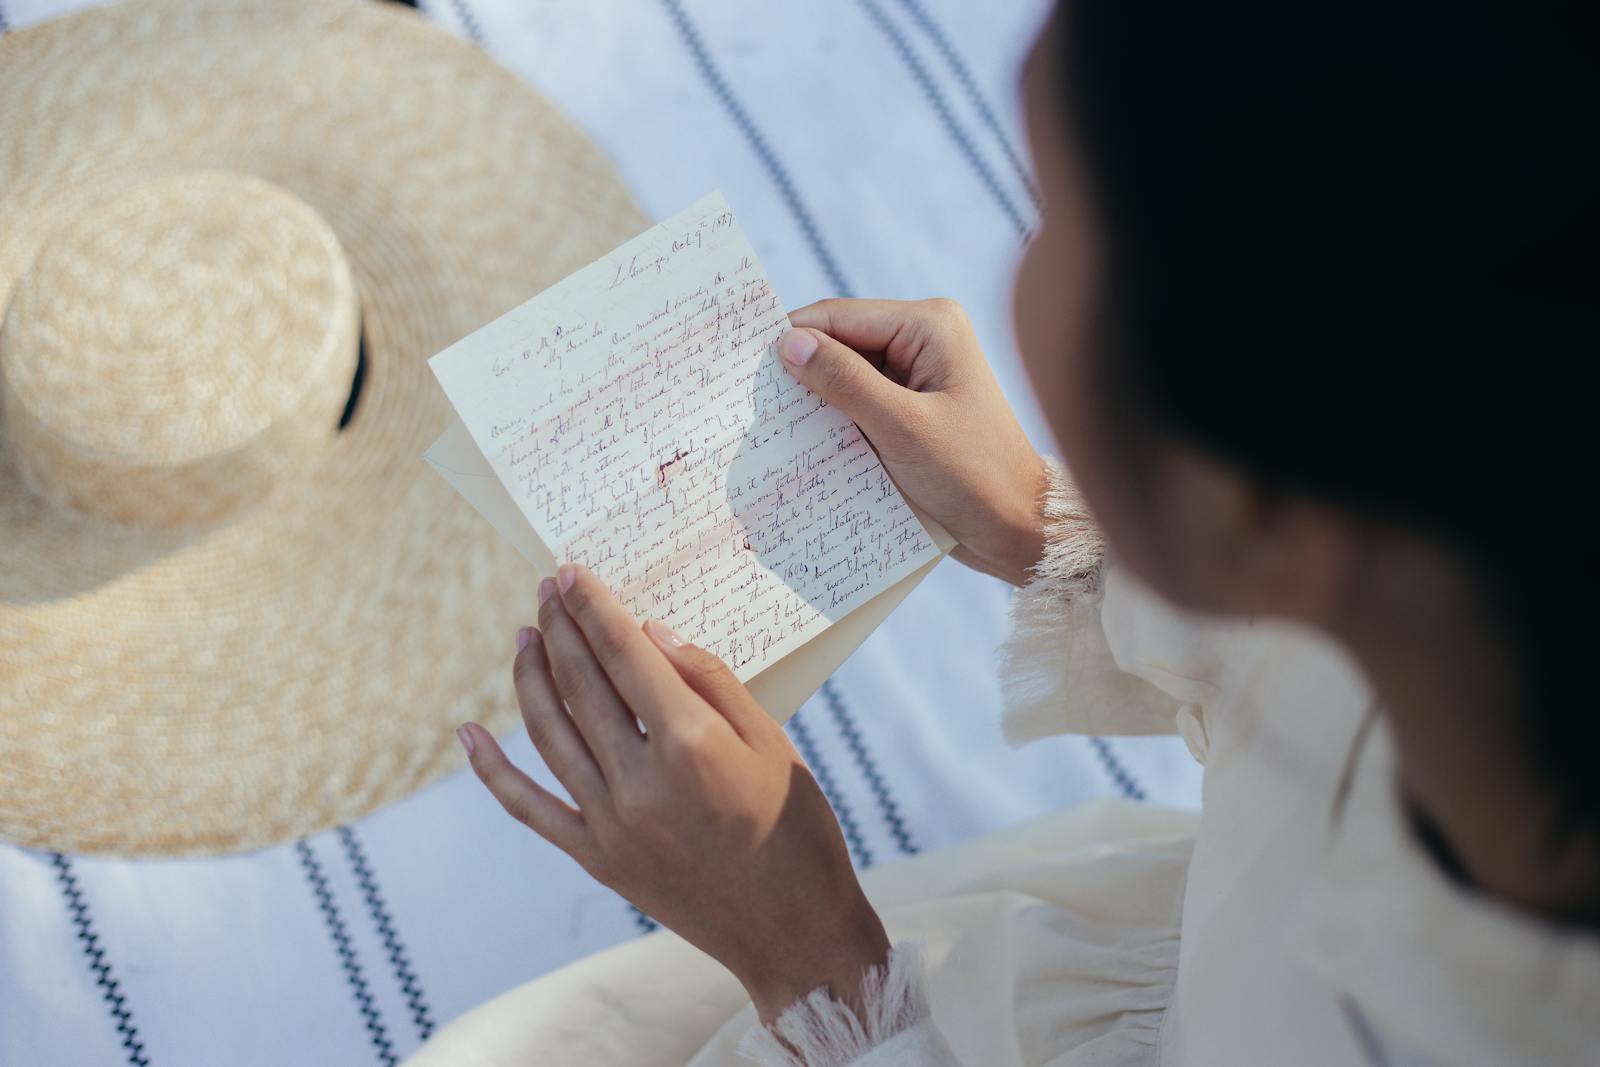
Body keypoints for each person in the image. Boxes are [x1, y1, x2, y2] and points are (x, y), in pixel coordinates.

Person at [433, 1, 1599, 1063]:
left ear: (1249, 511)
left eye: (1047, 216)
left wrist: (811, 957)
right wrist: (1047, 534)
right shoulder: (1474, 567)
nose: (1007, 265)